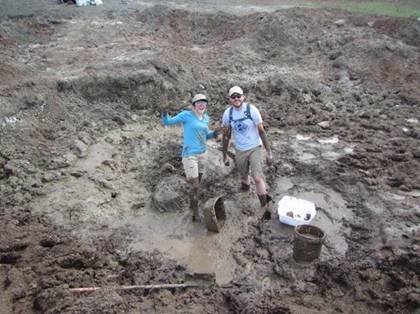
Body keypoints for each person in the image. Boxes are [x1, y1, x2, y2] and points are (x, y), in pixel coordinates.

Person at [161, 94, 219, 222]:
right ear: (193, 105)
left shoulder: (206, 118)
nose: (201, 104)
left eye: (204, 102)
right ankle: (195, 213)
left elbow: (205, 136)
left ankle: (193, 205)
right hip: (190, 155)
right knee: (195, 186)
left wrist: (215, 133)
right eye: (198, 102)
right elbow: (167, 121)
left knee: (198, 184)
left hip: (203, 154)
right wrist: (164, 110)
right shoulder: (186, 115)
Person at [222, 86, 273, 219]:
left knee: (257, 178)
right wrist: (224, 155)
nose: (236, 99)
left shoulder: (252, 110)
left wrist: (269, 152)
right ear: (229, 99)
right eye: (233, 97)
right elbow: (226, 136)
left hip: (255, 147)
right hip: (240, 149)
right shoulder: (228, 114)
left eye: (238, 96)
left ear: (243, 97)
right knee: (244, 177)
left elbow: (261, 131)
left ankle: (264, 206)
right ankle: (244, 195)